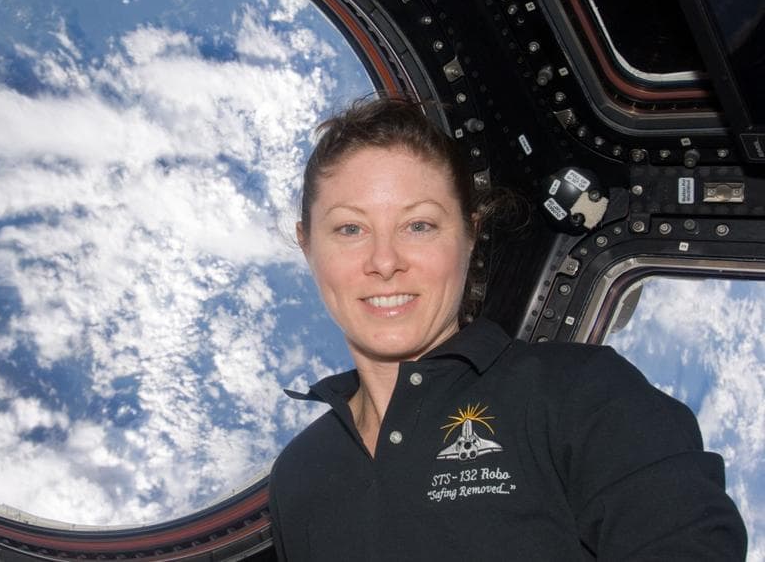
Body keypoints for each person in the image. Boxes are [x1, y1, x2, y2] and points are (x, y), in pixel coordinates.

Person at [267, 96, 747, 560]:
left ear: (470, 236)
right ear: (307, 245)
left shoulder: (578, 391)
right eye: (350, 229)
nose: (385, 261)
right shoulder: (298, 474)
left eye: (419, 226)